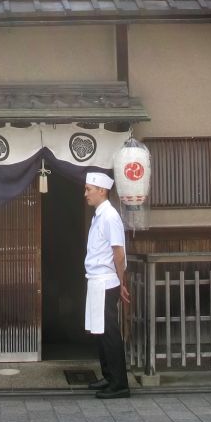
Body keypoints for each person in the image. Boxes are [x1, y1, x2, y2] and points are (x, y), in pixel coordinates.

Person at [83, 171, 131, 399]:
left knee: (110, 332)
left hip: (105, 281)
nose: (86, 194)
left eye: (88, 189)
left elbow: (118, 253)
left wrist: (121, 281)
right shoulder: (98, 215)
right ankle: (109, 376)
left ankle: (119, 383)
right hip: (96, 280)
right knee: (100, 332)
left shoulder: (110, 216)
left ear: (102, 191)